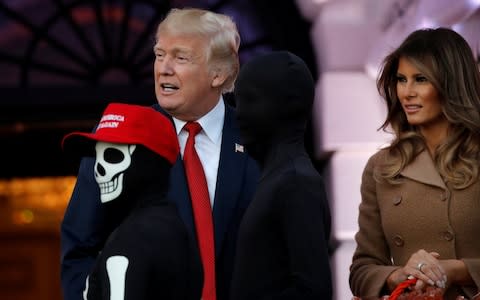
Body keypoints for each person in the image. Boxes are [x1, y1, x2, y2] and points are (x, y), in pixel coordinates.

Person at [60, 8, 259, 300]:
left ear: (219, 73)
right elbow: (79, 249)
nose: (163, 68)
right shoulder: (119, 138)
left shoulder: (258, 139)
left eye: (180, 58)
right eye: (159, 54)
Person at [349, 27, 480, 300]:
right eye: (401, 79)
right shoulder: (381, 167)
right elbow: (362, 270)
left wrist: (455, 270)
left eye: (420, 79)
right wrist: (400, 276)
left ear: (451, 84)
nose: (406, 92)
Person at [62, 103, 202, 299]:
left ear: (147, 162)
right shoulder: (181, 233)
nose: (97, 170)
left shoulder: (126, 243)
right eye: (97, 157)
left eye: (112, 155)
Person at [230, 51, 333, 299]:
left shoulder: (296, 182)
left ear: (290, 105)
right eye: (237, 101)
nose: (239, 113)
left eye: (251, 100)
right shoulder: (279, 179)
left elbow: (313, 290)